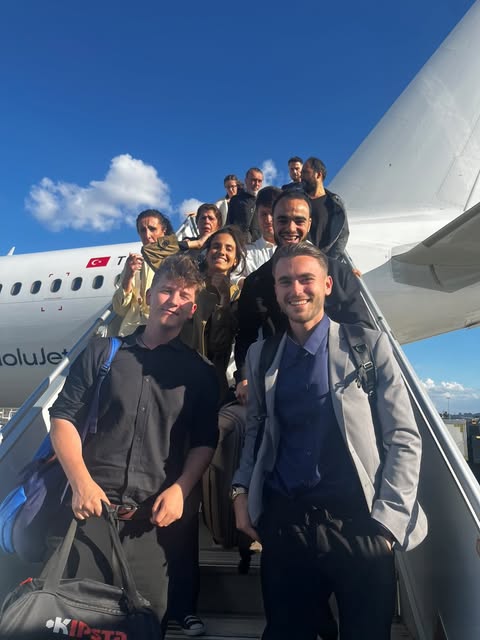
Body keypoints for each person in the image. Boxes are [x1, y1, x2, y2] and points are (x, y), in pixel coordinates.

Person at [232, 242, 427, 640]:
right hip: (286, 524)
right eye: (285, 281)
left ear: (326, 284)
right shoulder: (261, 355)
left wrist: (387, 526)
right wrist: (240, 492)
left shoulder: (368, 345)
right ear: (275, 290)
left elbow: (404, 437)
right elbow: (255, 431)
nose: (296, 290)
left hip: (359, 524)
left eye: (306, 279)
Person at [48, 254, 219, 637]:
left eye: (184, 295)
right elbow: (62, 419)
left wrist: (181, 489)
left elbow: (204, 441)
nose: (174, 300)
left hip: (153, 529)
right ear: (149, 296)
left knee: (145, 628)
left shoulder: (201, 374)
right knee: (74, 626)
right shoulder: (102, 353)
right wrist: (80, 482)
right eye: (167, 290)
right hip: (89, 519)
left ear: (192, 309)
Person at [234, 190, 373, 404]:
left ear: (309, 223)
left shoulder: (338, 273)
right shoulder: (256, 282)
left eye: (299, 221)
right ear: (273, 222)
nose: (291, 228)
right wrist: (244, 378)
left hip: (338, 383)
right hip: (280, 387)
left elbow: (361, 327)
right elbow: (246, 335)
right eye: (283, 220)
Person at [180, 225, 246, 404]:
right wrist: (195, 243)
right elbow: (151, 252)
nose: (221, 251)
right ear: (207, 253)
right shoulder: (188, 286)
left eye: (229, 248)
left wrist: (224, 299)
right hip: (177, 377)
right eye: (216, 246)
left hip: (212, 386)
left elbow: (219, 345)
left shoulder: (236, 295)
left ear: (235, 261)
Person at [112, 208, 175, 336]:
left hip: (166, 330)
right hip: (133, 331)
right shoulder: (135, 263)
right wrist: (128, 276)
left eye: (152, 229)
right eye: (142, 230)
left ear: (164, 230)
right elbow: (120, 309)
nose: (147, 235)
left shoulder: (177, 259)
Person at [301, 156, 349, 258]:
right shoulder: (298, 201)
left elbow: (343, 234)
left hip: (324, 262)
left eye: (306, 172)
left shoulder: (335, 203)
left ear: (318, 175)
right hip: (300, 258)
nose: (302, 177)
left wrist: (329, 260)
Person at [244, 186, 280, 276]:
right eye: (263, 214)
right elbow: (234, 277)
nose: (268, 219)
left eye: (272, 213)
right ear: (257, 215)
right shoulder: (246, 252)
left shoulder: (302, 248)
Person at [226, 167, 264, 242]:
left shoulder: (264, 201)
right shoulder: (235, 200)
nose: (256, 184)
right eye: (253, 180)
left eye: (259, 181)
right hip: (240, 243)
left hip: (259, 244)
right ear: (246, 180)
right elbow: (229, 224)